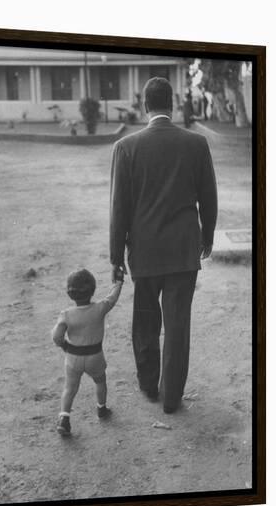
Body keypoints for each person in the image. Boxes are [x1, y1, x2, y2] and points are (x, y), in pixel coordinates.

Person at [110, 77, 218, 414]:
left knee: (145, 321)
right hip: (184, 252)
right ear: (171, 104)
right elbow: (209, 198)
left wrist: (116, 255)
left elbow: (119, 208)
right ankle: (172, 396)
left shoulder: (126, 147)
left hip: (144, 252)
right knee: (177, 325)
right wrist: (208, 236)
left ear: (145, 105)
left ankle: (148, 384)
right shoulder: (196, 143)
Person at [52, 268, 124, 435]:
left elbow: (57, 337)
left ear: (69, 293)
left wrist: (64, 346)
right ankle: (101, 409)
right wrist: (118, 282)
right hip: (95, 357)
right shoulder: (99, 308)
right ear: (93, 290)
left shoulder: (66, 315)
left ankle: (64, 418)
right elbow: (112, 298)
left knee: (69, 388)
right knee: (100, 381)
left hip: (73, 358)